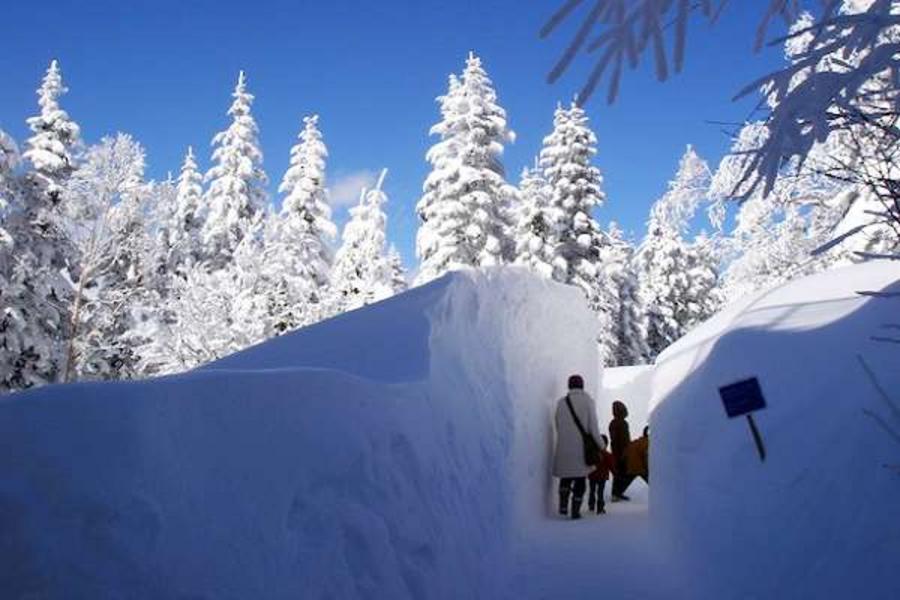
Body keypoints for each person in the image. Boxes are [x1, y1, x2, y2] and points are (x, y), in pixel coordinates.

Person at [552, 374, 602, 520]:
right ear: (582, 385)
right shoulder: (588, 401)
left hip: (564, 446)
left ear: (569, 386)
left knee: (566, 477)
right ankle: (575, 511)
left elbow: (557, 423)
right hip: (581, 448)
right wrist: (601, 445)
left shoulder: (561, 402)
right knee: (580, 479)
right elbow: (593, 427)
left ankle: (563, 506)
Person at [609, 400, 633, 501]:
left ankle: (616, 493)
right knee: (624, 473)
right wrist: (626, 451)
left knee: (619, 473)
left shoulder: (613, 423)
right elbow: (624, 439)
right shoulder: (622, 423)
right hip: (622, 452)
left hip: (617, 451)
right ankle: (616, 493)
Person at [588, 434, 615, 514]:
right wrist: (615, 473)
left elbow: (588, 463)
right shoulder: (607, 454)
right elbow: (611, 466)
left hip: (592, 475)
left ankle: (591, 505)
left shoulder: (592, 454)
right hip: (602, 477)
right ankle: (600, 508)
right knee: (600, 492)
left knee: (592, 490)